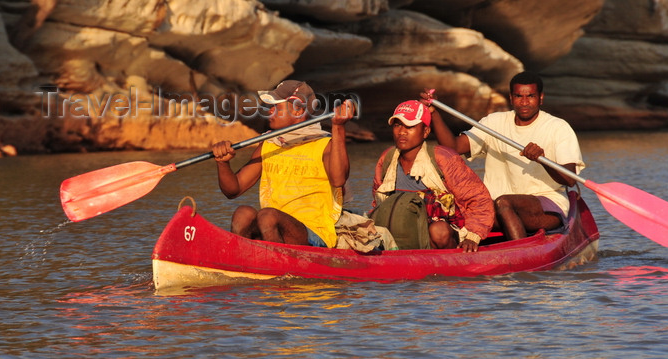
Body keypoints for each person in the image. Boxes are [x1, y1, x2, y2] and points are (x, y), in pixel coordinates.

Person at [421, 71, 585, 240]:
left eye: (531, 96)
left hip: (546, 206)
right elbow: (453, 147)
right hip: (495, 209)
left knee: (504, 203)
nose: (524, 102)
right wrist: (434, 113)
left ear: (541, 98)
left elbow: (570, 179)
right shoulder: (494, 123)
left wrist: (542, 160)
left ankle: (522, 255)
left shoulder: (558, 127)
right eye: (519, 96)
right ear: (511, 98)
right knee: (457, 211)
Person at [210, 80, 354, 248]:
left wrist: (338, 128)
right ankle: (238, 260)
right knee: (243, 213)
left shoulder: (325, 145)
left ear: (298, 110)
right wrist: (223, 163)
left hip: (315, 233)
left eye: (276, 107)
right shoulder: (269, 144)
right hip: (271, 228)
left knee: (268, 217)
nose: (269, 111)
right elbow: (233, 190)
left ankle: (278, 268)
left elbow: (338, 180)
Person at [372, 100, 495, 252]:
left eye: (410, 126)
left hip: (441, 233)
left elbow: (479, 200)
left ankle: (449, 267)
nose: (402, 131)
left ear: (425, 132)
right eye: (397, 125)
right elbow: (378, 203)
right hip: (402, 229)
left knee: (439, 232)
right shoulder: (387, 159)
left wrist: (473, 236)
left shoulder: (443, 158)